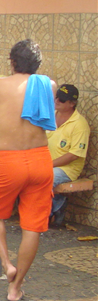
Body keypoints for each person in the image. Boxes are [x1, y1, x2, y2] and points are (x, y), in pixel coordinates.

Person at [0, 39, 55, 301]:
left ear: (12, 61)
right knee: (32, 227)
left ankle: (7, 263)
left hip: (10, 160)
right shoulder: (48, 85)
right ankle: (16, 287)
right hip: (41, 159)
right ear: (37, 64)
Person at [47, 84, 90, 227]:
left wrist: (48, 165)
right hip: (45, 162)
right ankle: (56, 204)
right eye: (57, 97)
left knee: (44, 178)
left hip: (67, 168)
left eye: (62, 100)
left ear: (72, 104)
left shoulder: (79, 124)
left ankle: (45, 213)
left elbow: (74, 155)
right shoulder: (50, 115)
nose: (57, 100)